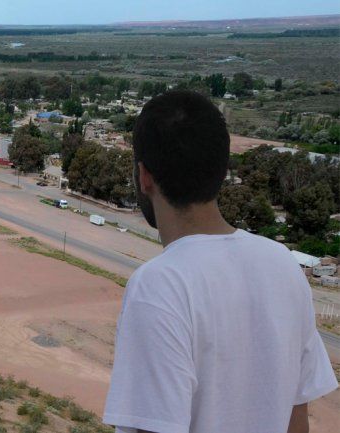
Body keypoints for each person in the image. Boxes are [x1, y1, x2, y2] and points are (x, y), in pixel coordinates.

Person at [104, 90, 337, 433]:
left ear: (145, 176)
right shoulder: (282, 265)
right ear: (222, 170)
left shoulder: (159, 285)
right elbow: (296, 421)